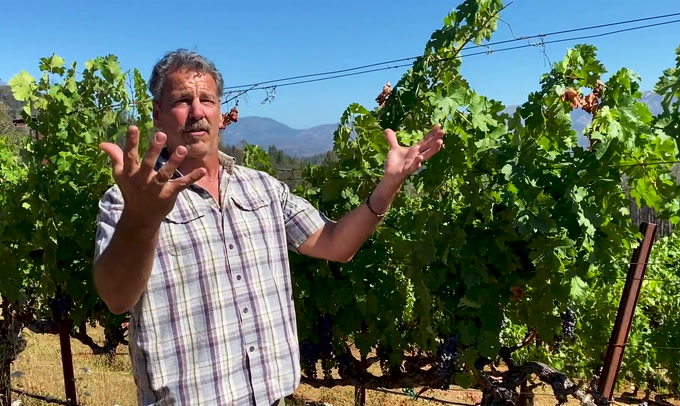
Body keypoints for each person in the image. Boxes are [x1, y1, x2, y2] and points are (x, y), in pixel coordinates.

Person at [92, 49, 445, 406]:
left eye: (207, 100)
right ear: (157, 113)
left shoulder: (262, 188)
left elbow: (337, 244)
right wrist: (143, 220)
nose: (197, 111)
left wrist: (389, 186)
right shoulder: (128, 201)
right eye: (183, 100)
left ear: (218, 111)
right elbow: (117, 298)